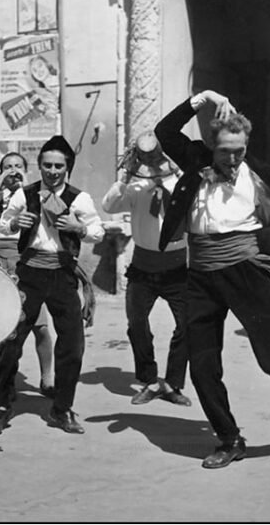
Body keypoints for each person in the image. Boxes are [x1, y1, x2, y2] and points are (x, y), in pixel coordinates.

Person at [154, 89, 270, 469]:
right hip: (200, 276)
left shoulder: (259, 172)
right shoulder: (195, 161)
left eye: (239, 150)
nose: (233, 159)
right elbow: (164, 131)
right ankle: (229, 438)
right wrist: (200, 99)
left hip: (245, 274)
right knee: (202, 365)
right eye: (225, 151)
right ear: (210, 146)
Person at [0, 136, 104, 437]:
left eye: (58, 166)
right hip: (30, 274)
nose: (52, 171)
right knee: (11, 342)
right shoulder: (26, 194)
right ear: (39, 166)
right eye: (47, 165)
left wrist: (80, 229)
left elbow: (98, 232)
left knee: (73, 346)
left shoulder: (80, 199)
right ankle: (0, 408)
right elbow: (5, 223)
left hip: (63, 275)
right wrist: (16, 224)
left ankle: (61, 409)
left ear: (68, 168)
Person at [102, 132, 192, 406]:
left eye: (155, 155)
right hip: (143, 264)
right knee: (137, 324)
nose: (151, 160)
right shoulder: (134, 186)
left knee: (188, 325)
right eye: (145, 156)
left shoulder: (181, 180)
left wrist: (171, 169)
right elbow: (109, 205)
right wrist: (127, 175)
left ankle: (173, 383)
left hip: (177, 265)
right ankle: (150, 381)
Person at [0, 152, 56, 399]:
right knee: (0, 329)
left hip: (27, 262)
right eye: (7, 167)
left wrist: (27, 188)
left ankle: (48, 378)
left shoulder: (37, 195)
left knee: (41, 326)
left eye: (18, 166)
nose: (13, 170)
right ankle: (8, 379)